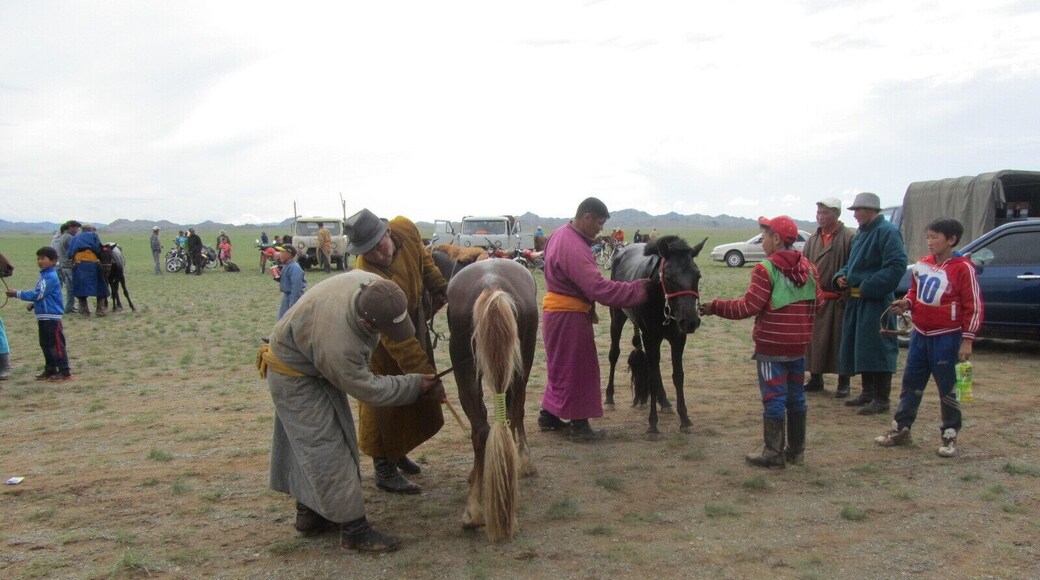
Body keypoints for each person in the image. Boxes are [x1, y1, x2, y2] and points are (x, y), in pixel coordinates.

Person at [261, 272, 445, 552]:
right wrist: (414, 385)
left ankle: (310, 516)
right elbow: (369, 390)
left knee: (326, 442)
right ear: (366, 323)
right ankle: (354, 531)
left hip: (312, 361)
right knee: (326, 448)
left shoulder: (378, 289)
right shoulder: (339, 342)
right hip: (294, 376)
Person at [700, 216, 822, 468]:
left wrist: (715, 306)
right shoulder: (810, 268)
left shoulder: (765, 270)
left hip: (771, 348)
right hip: (799, 346)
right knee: (796, 397)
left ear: (776, 239)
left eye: (764, 236)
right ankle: (796, 451)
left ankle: (773, 452)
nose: (763, 240)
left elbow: (748, 306)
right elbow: (819, 302)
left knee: (774, 397)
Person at [348, 208, 449, 494]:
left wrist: (439, 285)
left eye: (381, 247)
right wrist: (428, 378)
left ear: (388, 233)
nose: (380, 257)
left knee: (411, 399)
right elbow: (400, 344)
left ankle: (398, 451)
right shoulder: (365, 276)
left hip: (411, 320)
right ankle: (383, 468)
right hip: (382, 339)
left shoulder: (405, 227)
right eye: (371, 254)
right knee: (385, 400)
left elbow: (424, 258)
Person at [538, 197, 649, 441]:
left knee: (560, 368)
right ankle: (579, 427)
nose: (601, 229)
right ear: (586, 217)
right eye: (599, 223)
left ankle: (548, 416)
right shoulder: (573, 246)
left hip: (558, 314)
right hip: (569, 318)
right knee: (579, 369)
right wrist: (638, 290)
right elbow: (598, 288)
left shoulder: (560, 234)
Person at [874, 218, 983, 458]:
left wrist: (967, 339)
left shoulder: (963, 268)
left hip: (948, 337)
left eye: (935, 237)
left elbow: (972, 305)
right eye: (928, 237)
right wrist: (907, 302)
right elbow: (916, 291)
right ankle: (901, 428)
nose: (929, 242)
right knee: (911, 383)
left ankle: (950, 434)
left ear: (951, 239)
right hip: (921, 335)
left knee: (948, 387)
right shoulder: (922, 265)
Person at [834, 192, 908, 415]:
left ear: (872, 210)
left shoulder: (887, 232)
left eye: (859, 210)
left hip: (875, 300)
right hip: (857, 300)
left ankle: (881, 398)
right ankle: (867, 392)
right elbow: (852, 265)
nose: (855, 214)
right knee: (862, 346)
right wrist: (841, 276)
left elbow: (896, 266)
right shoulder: (860, 234)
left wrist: (868, 286)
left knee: (879, 347)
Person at [802, 198, 856, 397]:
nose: (820, 217)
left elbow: (854, 266)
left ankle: (844, 382)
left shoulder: (849, 237)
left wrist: (846, 286)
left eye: (825, 213)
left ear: (837, 213)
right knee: (814, 342)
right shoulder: (813, 239)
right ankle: (815, 378)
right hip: (816, 298)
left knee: (839, 340)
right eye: (818, 213)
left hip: (839, 298)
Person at [6, 247, 72, 381]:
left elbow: (38, 294)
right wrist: (34, 304)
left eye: (43, 258)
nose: (39, 261)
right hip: (44, 316)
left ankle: (65, 371)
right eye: (38, 258)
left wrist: (16, 294)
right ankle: (50, 369)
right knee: (45, 344)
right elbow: (44, 297)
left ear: (53, 261)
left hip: (51, 316)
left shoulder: (50, 277)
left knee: (56, 344)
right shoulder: (44, 275)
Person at [67, 224, 110, 316]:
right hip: (92, 263)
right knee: (101, 286)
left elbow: (70, 253)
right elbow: (98, 249)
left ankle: (84, 310)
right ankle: (100, 309)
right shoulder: (93, 235)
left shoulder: (75, 238)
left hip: (78, 264)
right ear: (90, 229)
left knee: (80, 287)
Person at [56, 220, 81, 313]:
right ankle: (81, 307)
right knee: (76, 287)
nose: (77, 230)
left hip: (63, 266)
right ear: (70, 227)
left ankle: (69, 308)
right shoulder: (70, 238)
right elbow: (74, 251)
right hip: (70, 267)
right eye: (76, 228)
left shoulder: (62, 237)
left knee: (70, 289)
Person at [276, 246, 306, 319]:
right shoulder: (287, 266)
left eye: (282, 252)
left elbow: (296, 286)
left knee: (288, 320)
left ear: (288, 254)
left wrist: (293, 302)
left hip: (292, 297)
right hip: (287, 297)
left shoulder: (294, 267)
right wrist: (277, 277)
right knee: (282, 320)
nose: (280, 254)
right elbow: (287, 280)